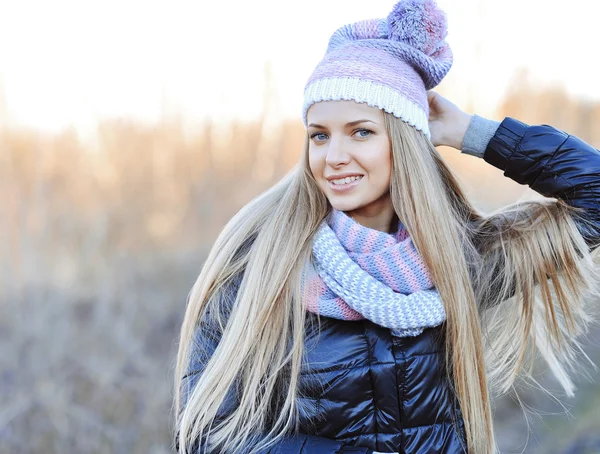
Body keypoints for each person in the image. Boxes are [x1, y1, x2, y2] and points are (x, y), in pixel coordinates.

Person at [173, 0, 600, 453]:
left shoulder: (456, 266)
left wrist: (468, 131)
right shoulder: (261, 264)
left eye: (361, 132)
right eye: (320, 135)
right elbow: (203, 435)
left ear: (403, 141)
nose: (334, 156)